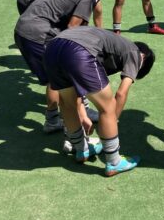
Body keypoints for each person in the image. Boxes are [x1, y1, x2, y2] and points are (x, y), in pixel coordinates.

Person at [15, 0, 118, 133]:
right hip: (36, 32)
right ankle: (65, 120)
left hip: (26, 29)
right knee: (61, 76)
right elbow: (72, 29)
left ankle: (61, 117)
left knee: (57, 76)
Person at [44, 26, 155, 176]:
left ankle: (81, 150)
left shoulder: (112, 46)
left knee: (67, 104)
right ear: (144, 59)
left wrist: (83, 114)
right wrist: (111, 122)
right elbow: (121, 93)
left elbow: (77, 90)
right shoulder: (136, 53)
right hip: (78, 49)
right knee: (108, 107)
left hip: (52, 49)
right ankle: (114, 162)